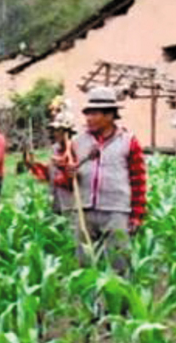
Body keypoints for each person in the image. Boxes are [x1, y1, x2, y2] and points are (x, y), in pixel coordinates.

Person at [55, 86, 147, 273]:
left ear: (110, 115)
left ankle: (117, 302)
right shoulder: (76, 141)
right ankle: (91, 302)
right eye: (87, 113)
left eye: (94, 114)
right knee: (86, 266)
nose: (88, 118)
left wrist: (137, 215)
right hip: (84, 211)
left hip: (116, 211)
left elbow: (138, 180)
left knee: (119, 264)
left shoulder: (128, 141)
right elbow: (64, 181)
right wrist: (67, 173)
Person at [25, 115, 76, 215]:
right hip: (56, 200)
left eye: (59, 130)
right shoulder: (55, 149)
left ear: (67, 132)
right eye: (55, 130)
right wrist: (33, 165)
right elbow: (49, 174)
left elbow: (76, 178)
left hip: (71, 203)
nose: (56, 133)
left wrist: (64, 168)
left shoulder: (75, 150)